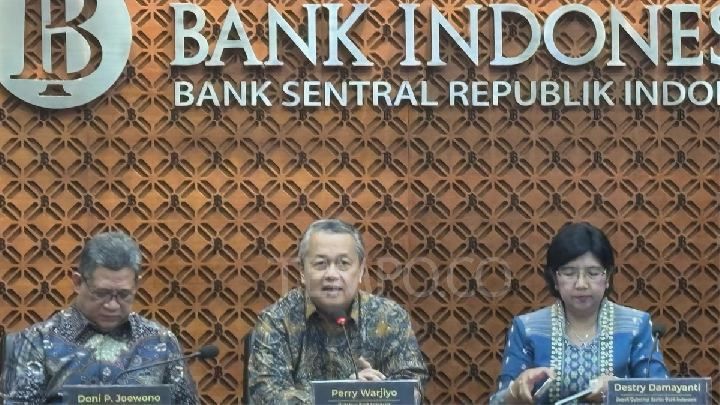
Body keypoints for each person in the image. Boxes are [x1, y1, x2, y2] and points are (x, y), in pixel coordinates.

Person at [1, 231, 199, 404]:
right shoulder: (37, 342)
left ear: (136, 285)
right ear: (78, 282)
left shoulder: (161, 342)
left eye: (123, 295)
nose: (112, 305)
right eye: (101, 293)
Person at [247, 219, 428, 404]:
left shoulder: (389, 317)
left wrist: (374, 390)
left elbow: (412, 387)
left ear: (361, 270)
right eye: (320, 263)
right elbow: (266, 394)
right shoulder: (277, 320)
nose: (332, 274)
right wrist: (344, 393)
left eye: (343, 263)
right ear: (302, 270)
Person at [490, 222, 668, 404]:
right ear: (555, 279)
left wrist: (619, 391)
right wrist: (515, 391)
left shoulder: (636, 325)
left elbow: (664, 397)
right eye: (569, 273)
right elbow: (497, 402)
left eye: (593, 273)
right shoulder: (526, 328)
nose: (581, 284)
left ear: (607, 277)